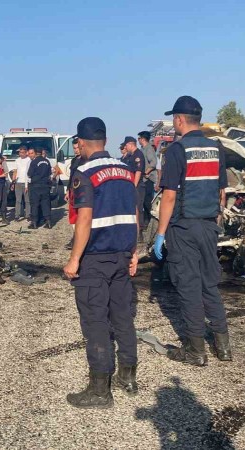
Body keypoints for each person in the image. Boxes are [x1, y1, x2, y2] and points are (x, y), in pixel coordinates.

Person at [63, 117, 139, 409]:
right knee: (122, 316)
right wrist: (134, 251)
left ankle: (99, 391)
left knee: (95, 322)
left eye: (77, 144)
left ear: (81, 143)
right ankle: (128, 376)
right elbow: (133, 212)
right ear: (105, 141)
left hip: (95, 258)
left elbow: (84, 218)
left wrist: (73, 260)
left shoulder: (84, 171)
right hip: (122, 254)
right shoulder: (125, 169)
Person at [154, 95, 232, 366]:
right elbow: (222, 192)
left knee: (188, 286)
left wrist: (161, 233)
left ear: (178, 119)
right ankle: (223, 346)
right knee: (209, 284)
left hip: (184, 227)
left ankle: (196, 350)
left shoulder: (176, 150)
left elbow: (169, 196)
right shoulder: (216, 148)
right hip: (209, 226)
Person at [120, 136, 146, 239]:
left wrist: (133, 186)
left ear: (131, 144)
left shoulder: (138, 155)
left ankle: (139, 233)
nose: (125, 147)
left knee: (137, 209)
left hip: (137, 186)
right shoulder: (131, 156)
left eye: (126, 145)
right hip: (131, 185)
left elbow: (138, 171)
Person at [65, 138, 83, 249]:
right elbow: (71, 176)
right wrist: (68, 190)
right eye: (74, 148)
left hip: (82, 190)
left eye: (77, 148)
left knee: (81, 215)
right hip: (73, 190)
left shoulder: (86, 160)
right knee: (73, 216)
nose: (76, 150)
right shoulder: (74, 160)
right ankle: (75, 237)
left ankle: (78, 239)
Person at [27, 146, 52, 229]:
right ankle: (48, 222)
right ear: (42, 152)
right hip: (45, 185)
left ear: (35, 153)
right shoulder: (47, 161)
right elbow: (49, 173)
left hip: (35, 186)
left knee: (35, 204)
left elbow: (29, 174)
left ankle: (34, 223)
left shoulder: (34, 162)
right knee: (46, 204)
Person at [137, 131, 158, 230]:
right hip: (144, 179)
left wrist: (146, 172)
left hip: (148, 179)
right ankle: (146, 220)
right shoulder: (142, 149)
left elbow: (153, 162)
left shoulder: (148, 149)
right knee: (143, 201)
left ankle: (150, 220)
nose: (138, 140)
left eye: (139, 138)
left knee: (147, 201)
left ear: (143, 139)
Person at [12, 146, 31, 222]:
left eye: (23, 152)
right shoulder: (17, 160)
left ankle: (28, 215)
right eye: (20, 152)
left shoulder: (29, 160)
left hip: (27, 182)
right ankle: (17, 215)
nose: (21, 154)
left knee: (27, 200)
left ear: (26, 152)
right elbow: (15, 172)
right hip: (18, 182)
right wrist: (13, 182)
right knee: (18, 200)